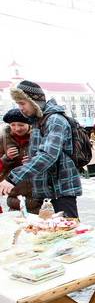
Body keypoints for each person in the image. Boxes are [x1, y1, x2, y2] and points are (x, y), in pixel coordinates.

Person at [0, 81, 82, 218]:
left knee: (67, 228)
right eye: (18, 104)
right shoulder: (38, 121)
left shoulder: (55, 119)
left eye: (22, 103)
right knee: (49, 230)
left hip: (60, 190)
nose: (20, 108)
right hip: (47, 190)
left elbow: (48, 155)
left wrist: (12, 178)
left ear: (34, 101)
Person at [0, 109, 42, 212]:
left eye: (21, 125)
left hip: (39, 193)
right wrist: (6, 158)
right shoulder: (3, 139)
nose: (17, 128)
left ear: (29, 125)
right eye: (13, 125)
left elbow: (49, 158)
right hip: (15, 196)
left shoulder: (39, 136)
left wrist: (34, 161)